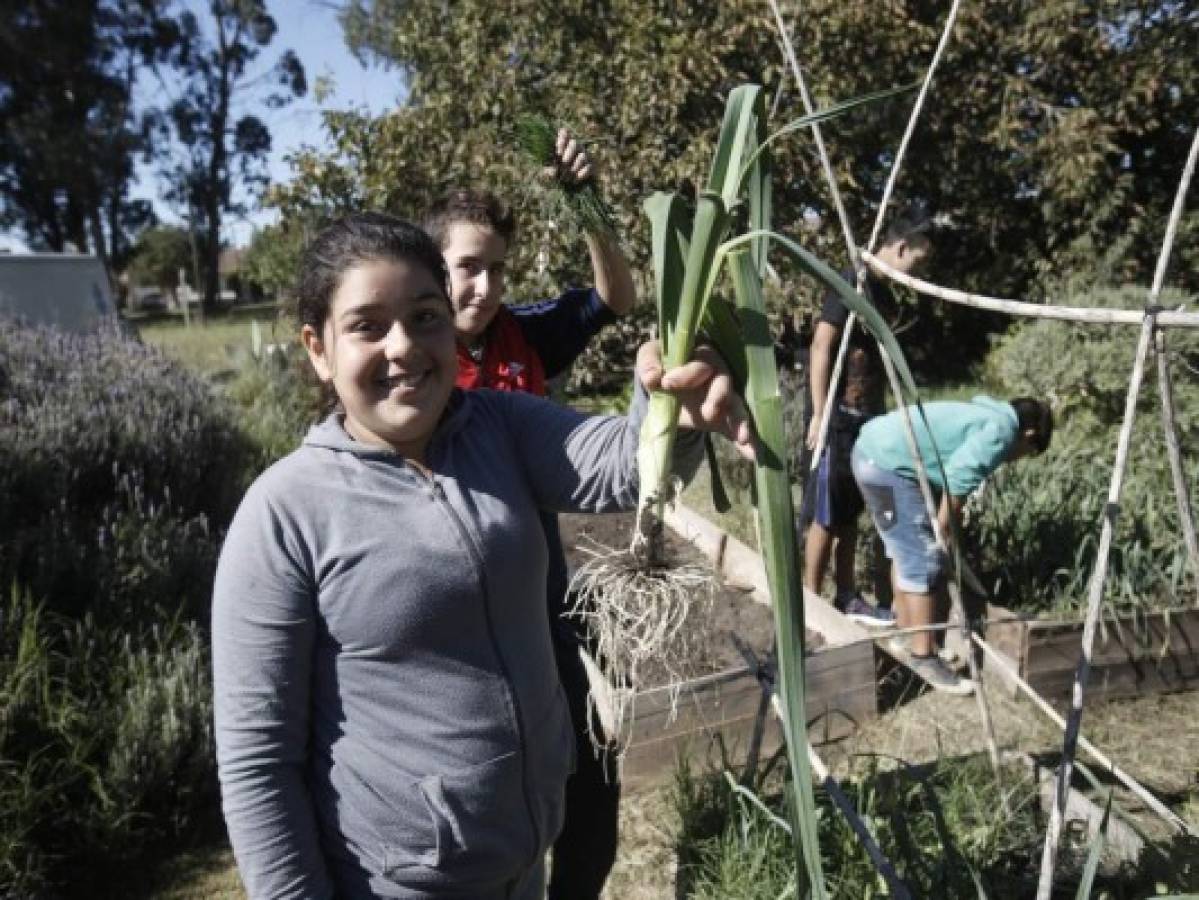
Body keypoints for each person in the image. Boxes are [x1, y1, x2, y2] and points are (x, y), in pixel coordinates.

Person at [211, 212, 752, 900]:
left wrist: (670, 401)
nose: (403, 346)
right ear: (318, 349)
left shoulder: (500, 425)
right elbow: (259, 765)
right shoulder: (285, 512)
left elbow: (624, 465)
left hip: (522, 865)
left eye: (424, 317)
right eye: (368, 326)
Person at [423, 130, 634, 900]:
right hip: (459, 604)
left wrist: (587, 204)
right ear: (432, 269)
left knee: (587, 780)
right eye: (466, 268)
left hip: (541, 585)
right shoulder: (412, 364)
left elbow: (617, 298)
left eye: (495, 269)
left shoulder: (523, 334)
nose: (482, 287)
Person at [851, 395, 1053, 694]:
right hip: (888, 466)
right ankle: (924, 657)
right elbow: (957, 481)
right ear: (1029, 434)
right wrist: (943, 532)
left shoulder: (984, 412)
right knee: (922, 561)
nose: (1018, 458)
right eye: (1027, 452)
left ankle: (908, 637)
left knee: (904, 553)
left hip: (869, 455)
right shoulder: (1002, 430)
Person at [802, 209, 933, 626]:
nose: (919, 270)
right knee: (826, 513)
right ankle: (809, 603)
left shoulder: (884, 296)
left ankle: (845, 595)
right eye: (918, 260)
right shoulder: (851, 284)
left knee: (851, 514)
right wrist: (820, 414)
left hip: (867, 423)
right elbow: (822, 345)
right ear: (899, 247)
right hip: (837, 417)